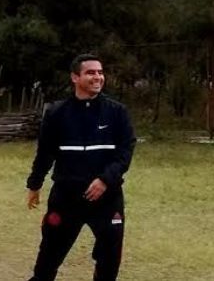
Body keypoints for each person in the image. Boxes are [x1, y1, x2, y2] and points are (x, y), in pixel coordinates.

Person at [26, 55, 136, 281]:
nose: (98, 77)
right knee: (49, 256)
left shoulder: (117, 112)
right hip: (67, 197)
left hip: (107, 198)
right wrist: (34, 184)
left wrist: (105, 180)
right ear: (75, 77)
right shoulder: (57, 113)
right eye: (90, 73)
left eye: (100, 72)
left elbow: (125, 152)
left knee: (110, 256)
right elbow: (45, 152)